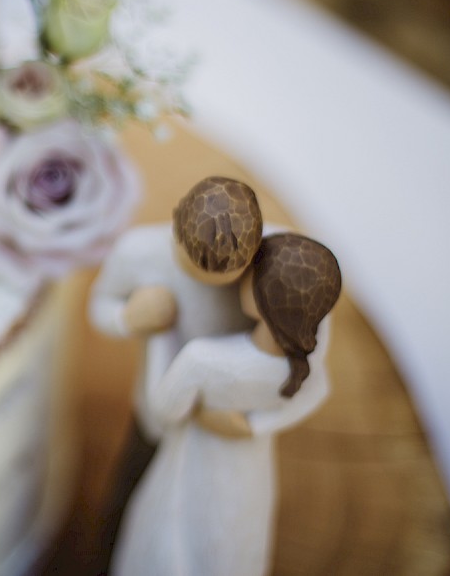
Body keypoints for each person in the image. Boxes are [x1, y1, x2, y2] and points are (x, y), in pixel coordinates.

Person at [110, 233, 342, 576]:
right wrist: (255, 427)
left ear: (262, 300)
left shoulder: (204, 361)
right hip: (251, 473)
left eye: (253, 271)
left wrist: (161, 333)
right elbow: (319, 390)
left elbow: (164, 408)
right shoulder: (298, 368)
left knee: (170, 542)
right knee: (235, 545)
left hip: (192, 469)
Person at [88, 176, 264, 567]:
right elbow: (97, 307)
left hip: (217, 428)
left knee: (204, 535)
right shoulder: (139, 253)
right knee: (129, 501)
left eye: (225, 277)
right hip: (153, 416)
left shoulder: (261, 274)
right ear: (176, 226)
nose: (208, 282)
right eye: (194, 266)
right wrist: (127, 318)